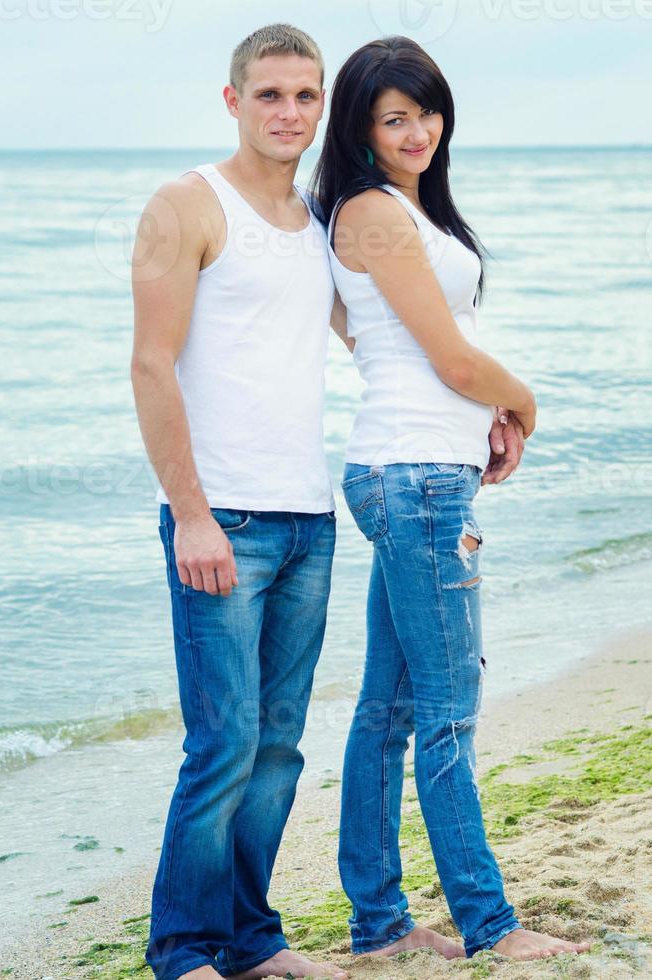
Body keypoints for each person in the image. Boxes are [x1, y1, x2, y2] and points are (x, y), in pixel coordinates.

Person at [312, 35, 593, 963]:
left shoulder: (397, 211)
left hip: (419, 468)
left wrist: (485, 425)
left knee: (387, 711)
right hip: (418, 481)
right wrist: (522, 405)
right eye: (395, 117)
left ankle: (380, 924)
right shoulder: (372, 212)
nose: (418, 130)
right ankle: (490, 924)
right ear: (360, 124)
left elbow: (386, 343)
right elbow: (452, 359)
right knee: (448, 711)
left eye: (428, 112)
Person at [130, 24, 349, 980]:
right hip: (226, 523)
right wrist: (190, 513)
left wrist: (492, 410)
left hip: (311, 517)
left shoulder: (320, 224)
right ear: (233, 100)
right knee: (222, 745)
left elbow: (382, 342)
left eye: (305, 96)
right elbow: (150, 366)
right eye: (269, 95)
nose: (289, 113)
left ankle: (251, 940)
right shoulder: (188, 204)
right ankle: (181, 952)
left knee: (279, 750)